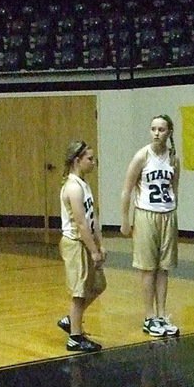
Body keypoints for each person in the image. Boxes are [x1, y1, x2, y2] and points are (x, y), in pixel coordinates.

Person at [120, 114, 181, 337]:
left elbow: (175, 188)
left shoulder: (173, 158)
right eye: (153, 128)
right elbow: (127, 189)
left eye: (161, 129)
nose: (156, 133)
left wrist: (174, 212)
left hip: (167, 215)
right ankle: (149, 317)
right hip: (146, 215)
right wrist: (125, 220)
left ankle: (162, 314)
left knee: (164, 268)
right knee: (148, 268)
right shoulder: (141, 157)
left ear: (169, 132)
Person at [58, 140, 107, 353]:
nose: (93, 162)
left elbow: (92, 216)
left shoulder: (83, 183)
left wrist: (99, 243)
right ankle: (75, 338)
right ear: (78, 160)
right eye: (90, 158)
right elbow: (80, 223)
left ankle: (71, 320)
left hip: (86, 242)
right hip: (75, 244)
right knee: (79, 292)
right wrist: (93, 251)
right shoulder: (72, 187)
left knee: (98, 284)